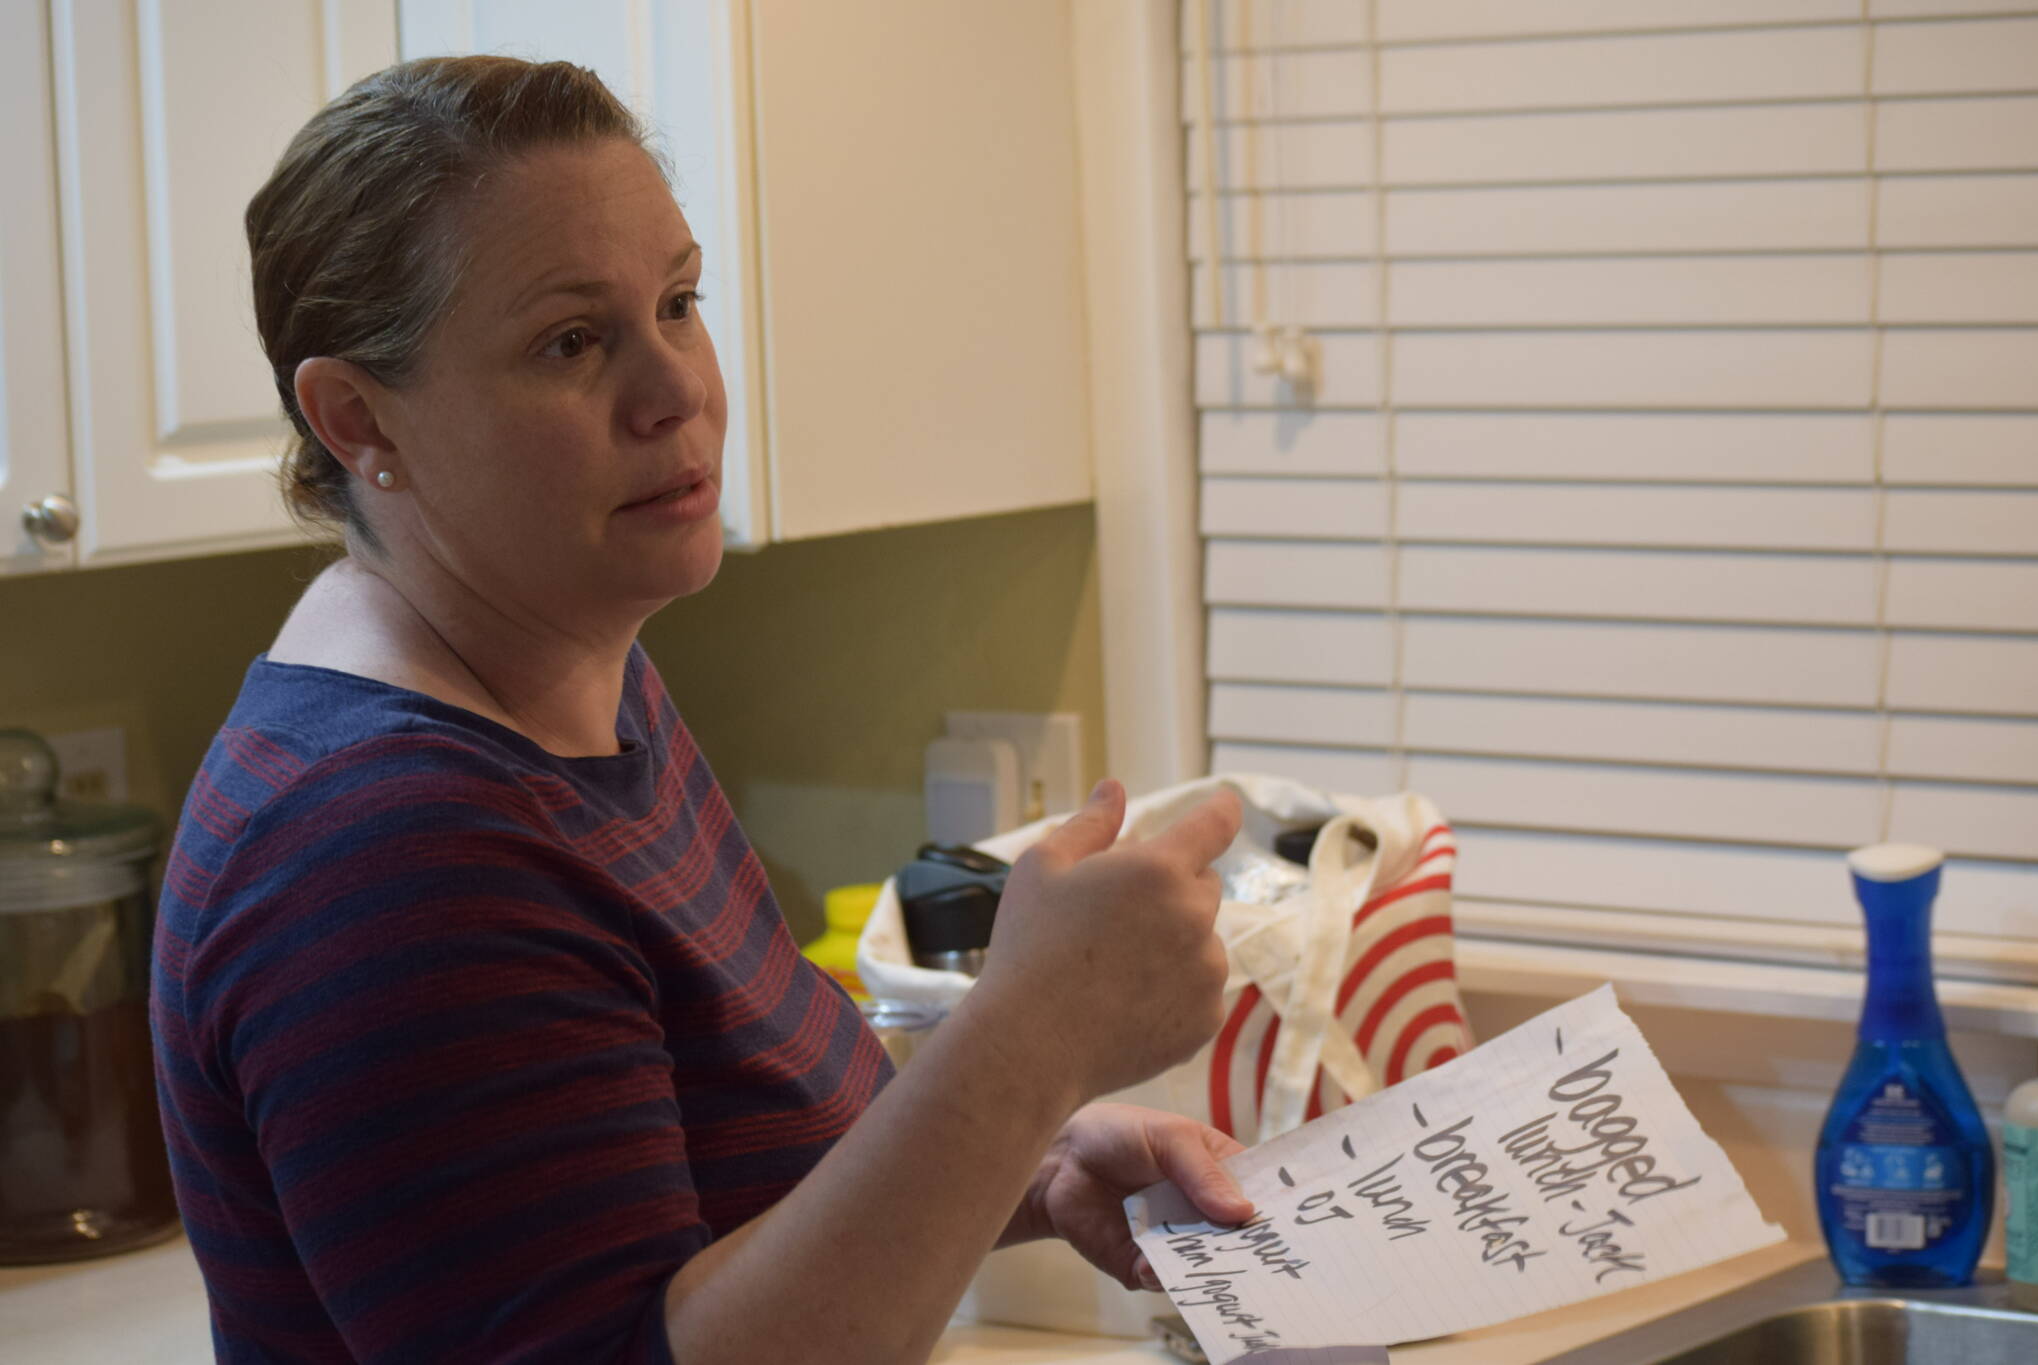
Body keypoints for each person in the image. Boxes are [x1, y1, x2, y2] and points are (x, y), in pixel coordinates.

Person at [151, 55, 1248, 1364]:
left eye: (678, 301)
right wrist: (1027, 1044)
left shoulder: (573, 678)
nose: (675, 388)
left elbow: (690, 1201)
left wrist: (1032, 1155)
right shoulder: (384, 849)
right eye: (571, 339)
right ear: (356, 418)